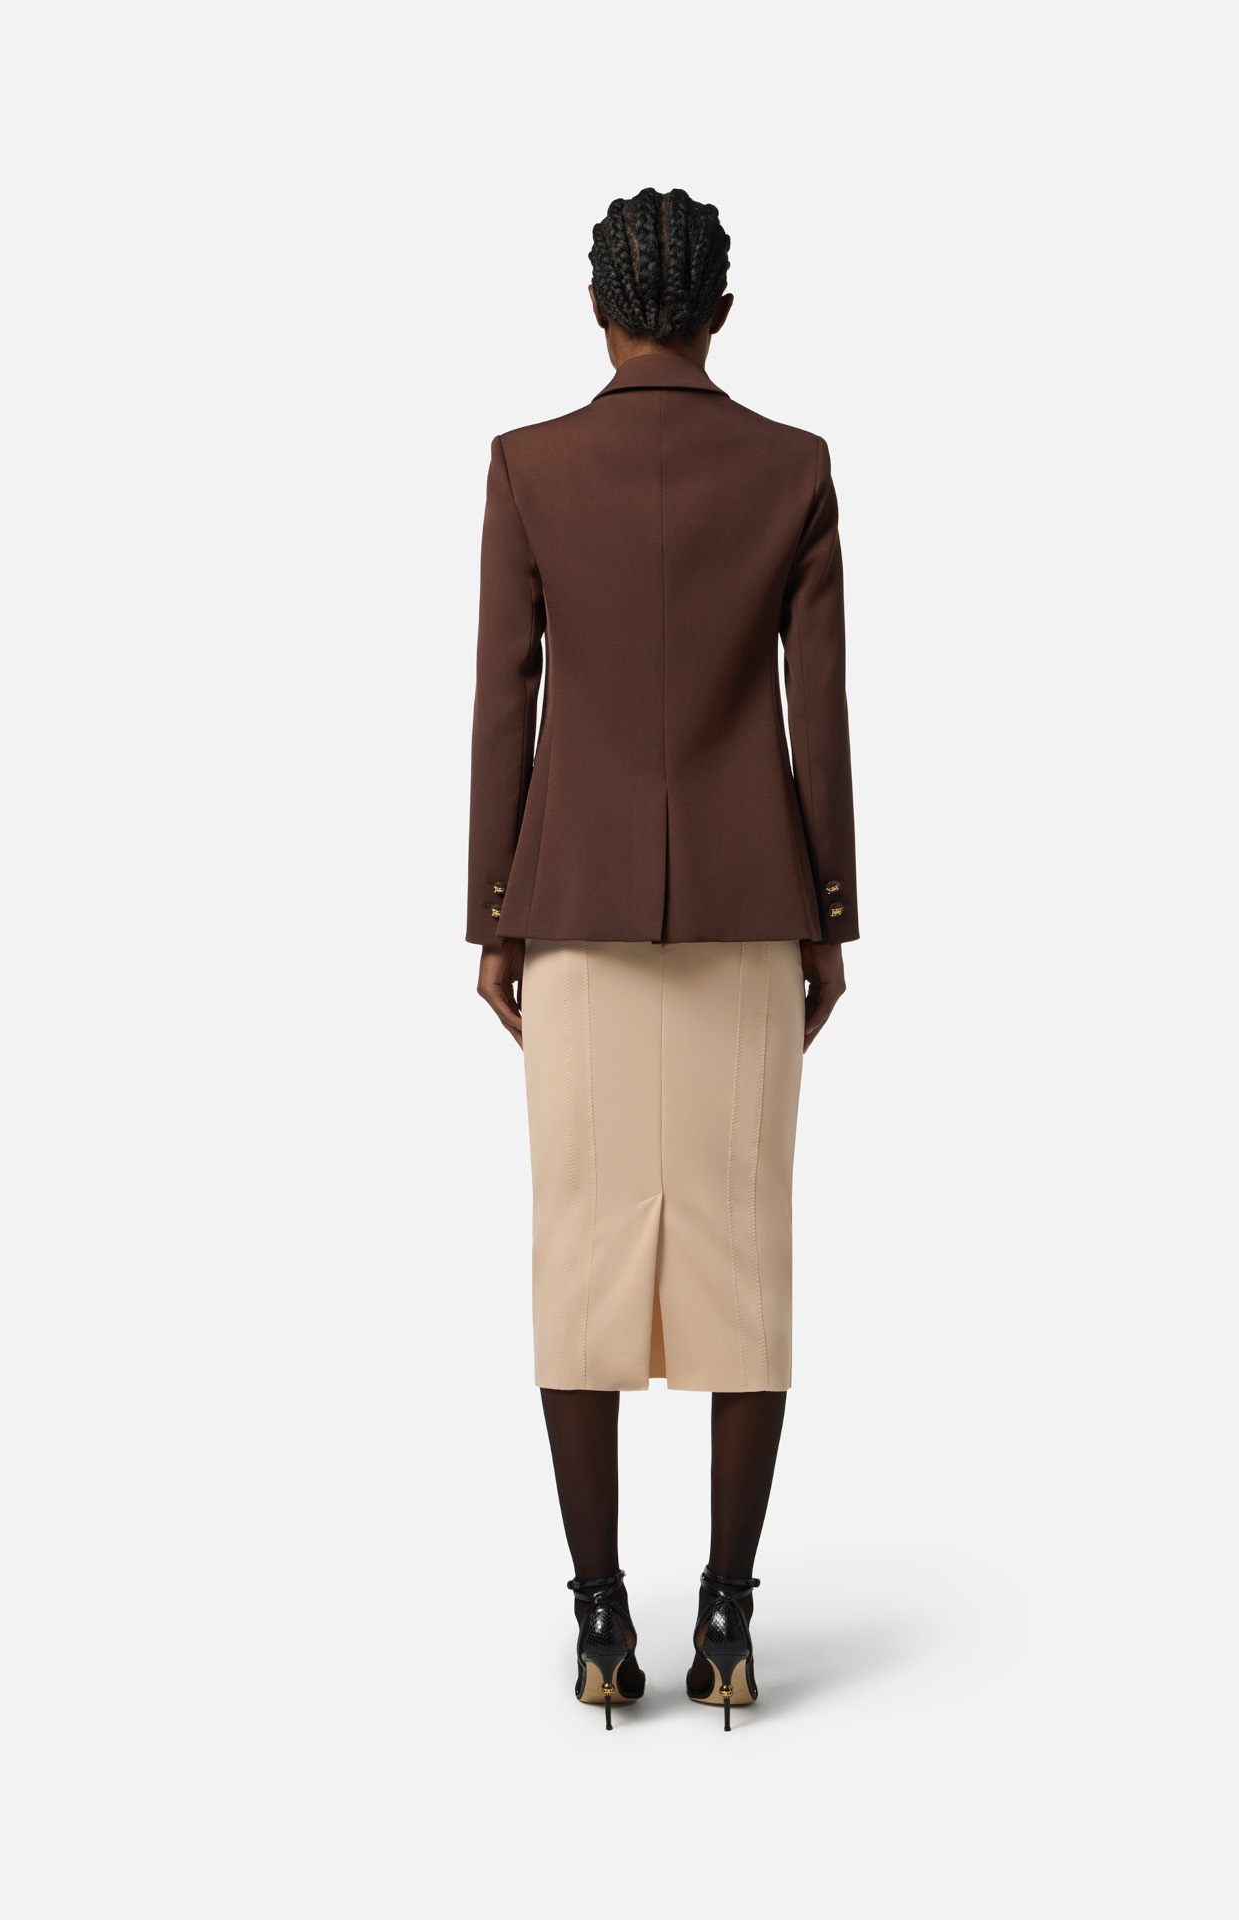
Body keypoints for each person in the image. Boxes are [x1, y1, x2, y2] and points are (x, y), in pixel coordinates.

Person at [466, 188, 858, 1730]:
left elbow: (504, 695)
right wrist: (830, 915)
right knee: (745, 1257)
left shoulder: (528, 468)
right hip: (753, 912)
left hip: (572, 909)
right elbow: (819, 709)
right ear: (722, 312)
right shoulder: (792, 469)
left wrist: (496, 909)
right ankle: (731, 1622)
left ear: (598, 309)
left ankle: (598, 1622)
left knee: (578, 1253)